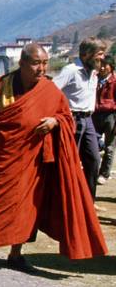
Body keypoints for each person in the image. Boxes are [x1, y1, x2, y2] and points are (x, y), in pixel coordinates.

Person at [0, 43, 106, 272]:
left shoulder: (49, 90)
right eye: (35, 63)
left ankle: (16, 254)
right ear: (22, 63)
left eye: (44, 63)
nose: (41, 68)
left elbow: (66, 117)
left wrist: (54, 122)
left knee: (26, 208)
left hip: (30, 161)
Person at [53, 39, 104, 197]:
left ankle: (88, 202)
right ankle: (65, 200)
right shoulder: (71, 70)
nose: (102, 58)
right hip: (72, 119)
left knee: (94, 160)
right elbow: (52, 90)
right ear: (86, 54)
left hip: (88, 120)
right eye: (99, 54)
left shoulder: (93, 72)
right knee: (69, 162)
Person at [94, 54, 116, 184]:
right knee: (93, 144)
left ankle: (104, 174)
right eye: (100, 65)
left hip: (111, 116)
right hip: (95, 115)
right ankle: (93, 169)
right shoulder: (94, 79)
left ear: (111, 67)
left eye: (105, 65)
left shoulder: (114, 82)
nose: (102, 68)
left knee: (110, 147)